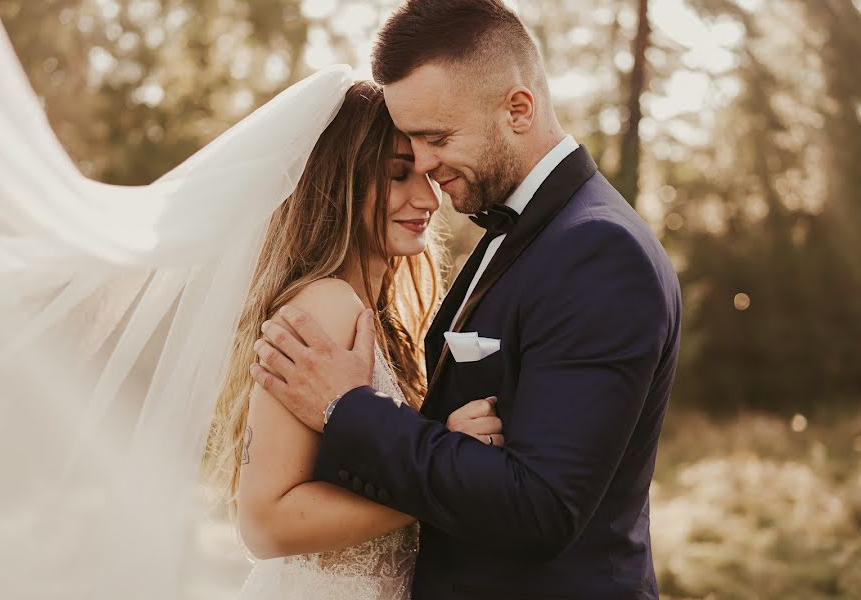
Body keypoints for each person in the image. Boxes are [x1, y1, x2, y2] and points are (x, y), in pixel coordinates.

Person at [251, 1, 682, 598]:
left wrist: (347, 407)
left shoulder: (599, 251)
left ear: (518, 109)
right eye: (408, 155)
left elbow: (541, 509)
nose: (426, 170)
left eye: (435, 139)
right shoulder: (517, 234)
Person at [204, 81, 504, 600]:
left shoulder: (380, 316)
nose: (428, 198)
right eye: (396, 175)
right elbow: (264, 522)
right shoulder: (325, 305)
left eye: (428, 173)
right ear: (340, 182)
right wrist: (444, 474)